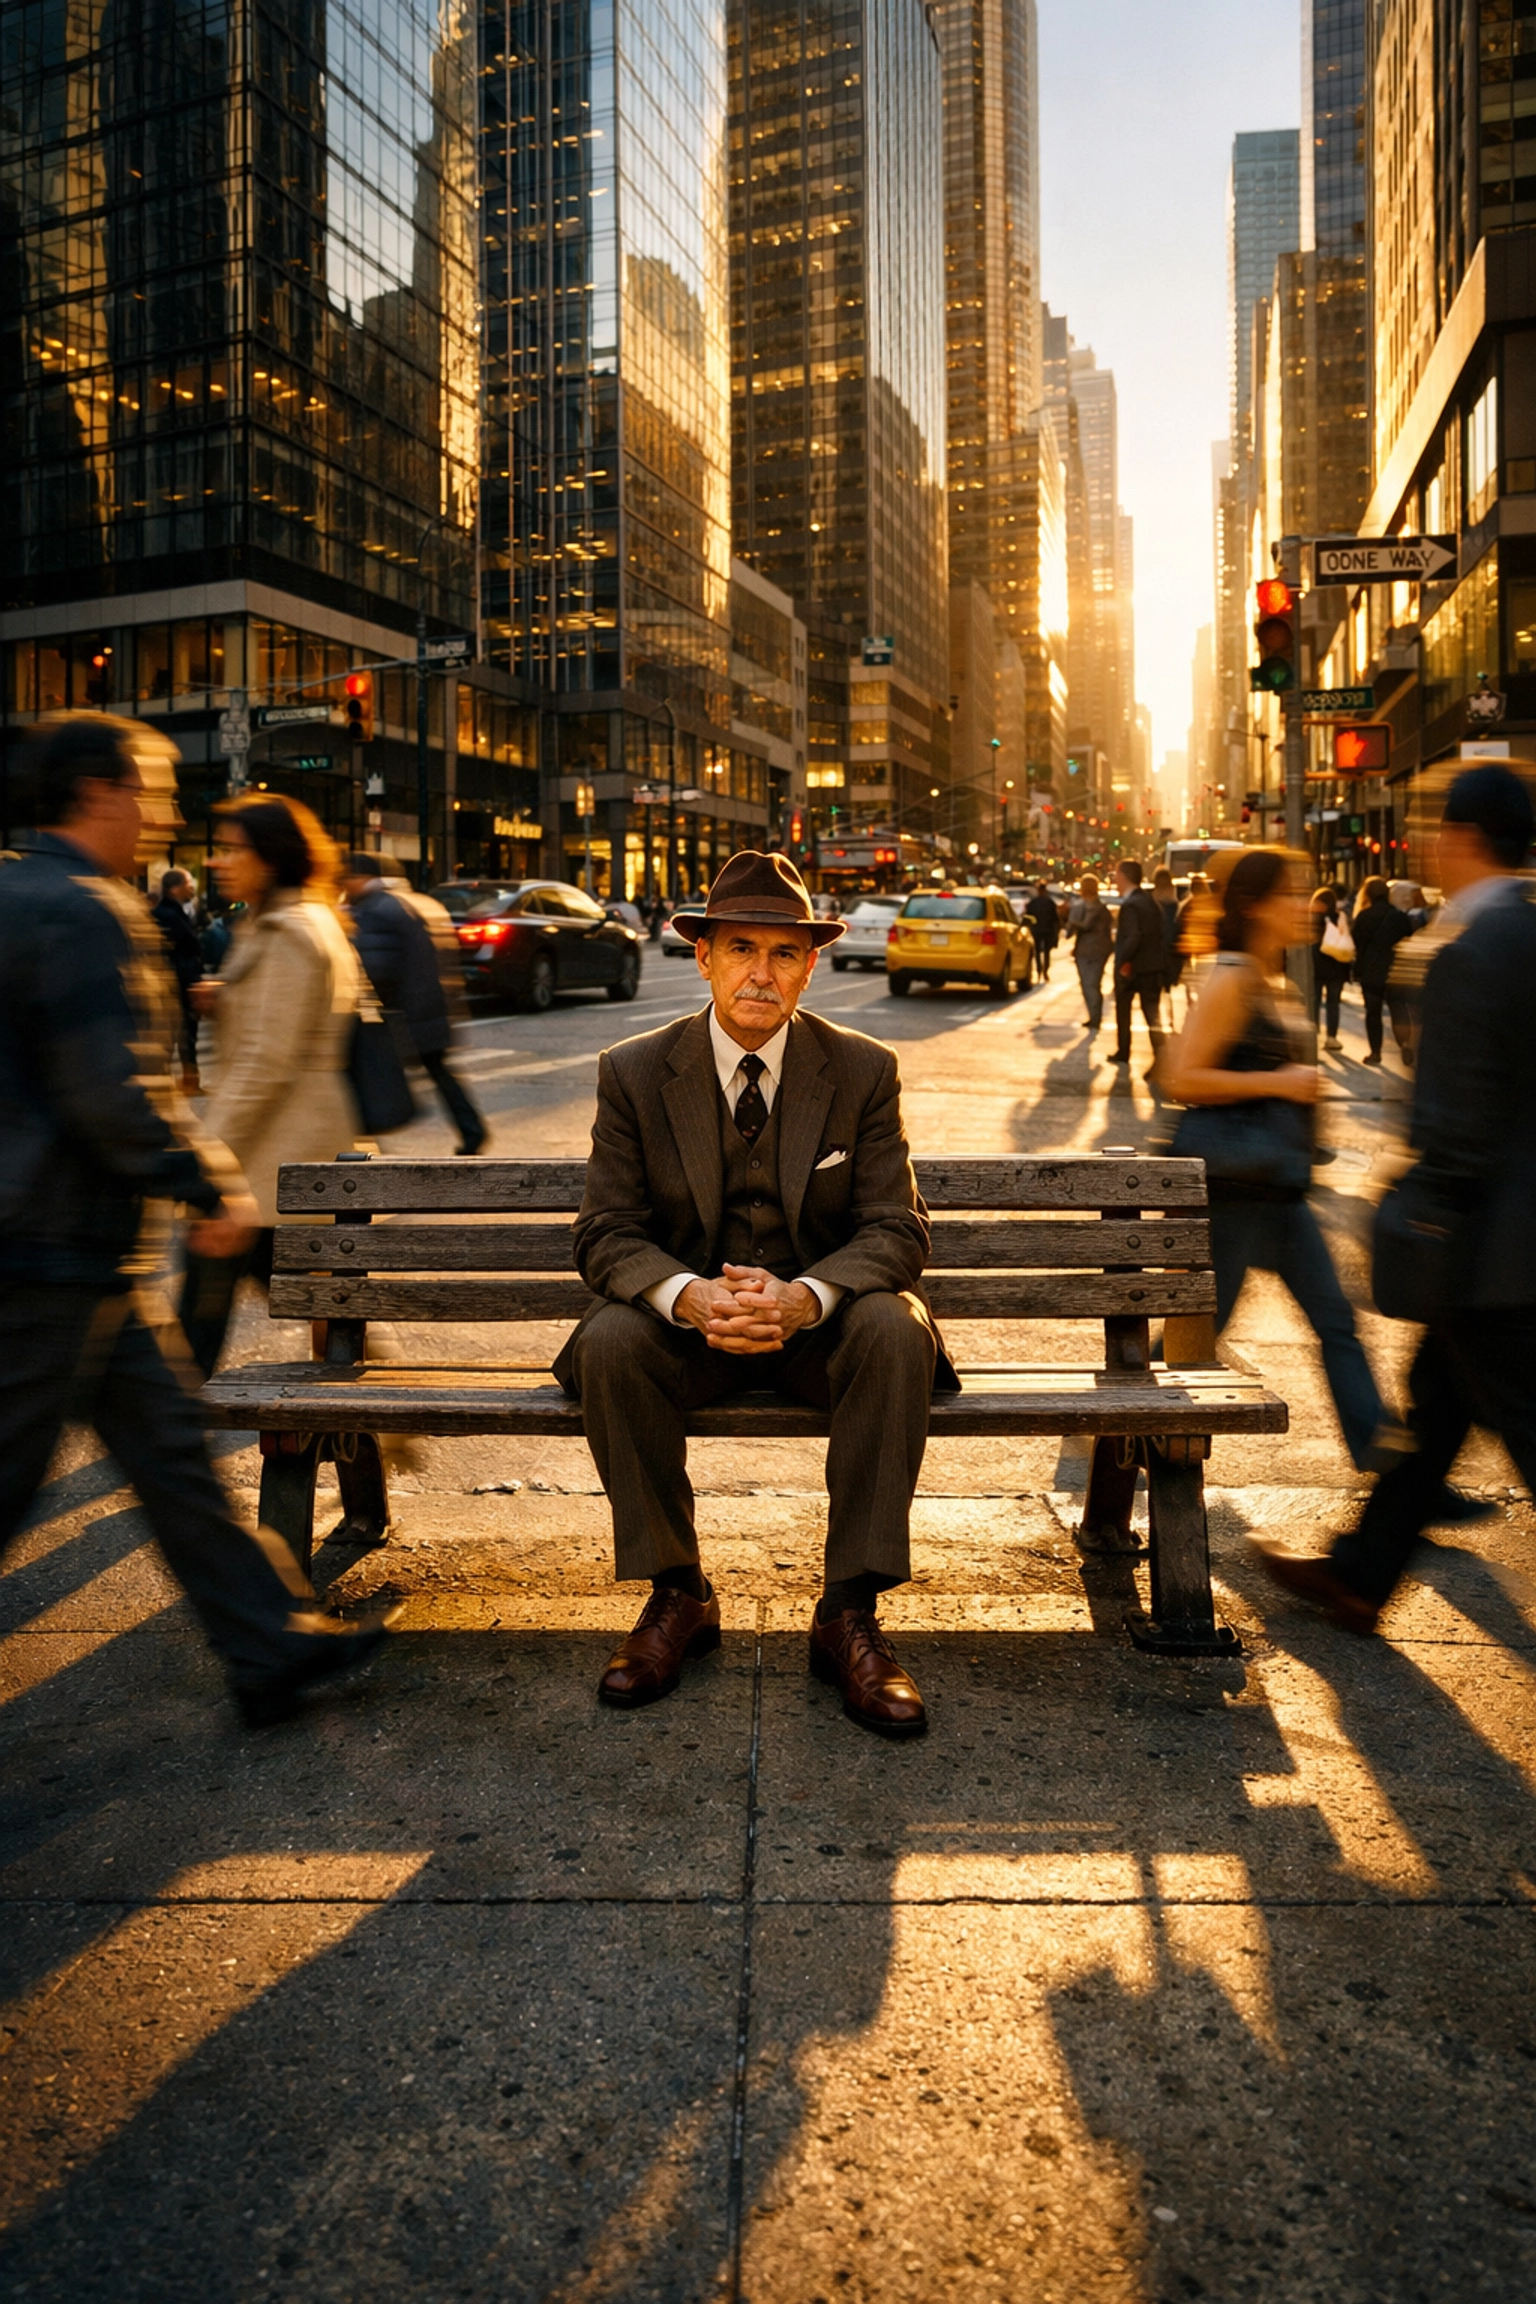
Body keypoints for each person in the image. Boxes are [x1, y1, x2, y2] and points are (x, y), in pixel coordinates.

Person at [0, 715, 386, 1726]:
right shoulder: (85, 909)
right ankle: (270, 1643)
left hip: (75, 1249)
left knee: (171, 1449)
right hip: (45, 1247)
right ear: (98, 794)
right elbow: (105, 1091)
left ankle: (268, 1646)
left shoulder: (14, 894)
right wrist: (202, 1176)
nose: (165, 814)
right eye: (154, 790)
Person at [555, 850, 951, 1736]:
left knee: (897, 1330)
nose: (760, 974)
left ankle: (848, 1611)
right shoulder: (632, 1071)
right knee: (612, 1340)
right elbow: (605, 1232)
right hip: (687, 1340)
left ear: (811, 966)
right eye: (741, 949)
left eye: (783, 955)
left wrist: (807, 1297)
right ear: (704, 958)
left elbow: (897, 1229)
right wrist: (688, 1297)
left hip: (819, 1337)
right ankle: (678, 1593)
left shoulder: (862, 1070)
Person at [1254, 767, 1536, 1633]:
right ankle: (1359, 1576)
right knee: (1436, 1405)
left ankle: (1359, 1574)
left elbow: (1457, 1118)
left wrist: (1426, 1217)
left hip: (1494, 1249)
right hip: (1509, 1242)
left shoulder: (1471, 953)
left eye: (1440, 837)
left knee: (1517, 1414)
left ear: (1461, 840)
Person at [1167, 848, 1391, 1477]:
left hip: (1277, 1192)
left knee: (1336, 1322)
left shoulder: (1268, 978)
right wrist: (1281, 1082)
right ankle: (1117, 1428)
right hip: (1238, 1192)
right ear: (1252, 906)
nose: (1305, 905)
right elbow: (1184, 1076)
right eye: (1290, 894)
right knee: (1194, 1337)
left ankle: (1393, 1472)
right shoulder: (1234, 976)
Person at [179, 794, 361, 1377]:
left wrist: (208, 1156)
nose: (220, 862)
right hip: (281, 1157)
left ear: (271, 857)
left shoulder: (289, 930)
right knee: (314, 1299)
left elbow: (267, 1061)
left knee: (205, 1310)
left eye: (235, 849)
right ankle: (374, 1406)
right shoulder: (286, 920)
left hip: (272, 1156)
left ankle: (165, 1425)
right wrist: (228, 998)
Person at [342, 853, 487, 1156]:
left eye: (347, 879)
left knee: (371, 1074)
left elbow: (376, 966)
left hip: (406, 1013)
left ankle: (366, 1141)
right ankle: (472, 1130)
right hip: (426, 1007)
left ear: (359, 878)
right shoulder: (398, 904)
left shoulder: (375, 910)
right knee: (438, 1071)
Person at [150, 866, 205, 1090]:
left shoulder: (170, 913)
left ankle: (182, 1080)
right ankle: (188, 1081)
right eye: (188, 884)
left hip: (174, 981)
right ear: (174, 889)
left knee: (177, 1034)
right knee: (183, 1033)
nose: (192, 888)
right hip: (178, 981)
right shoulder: (168, 915)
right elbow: (189, 946)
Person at [1351, 874, 1414, 1065]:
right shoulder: (1399, 917)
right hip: (1395, 972)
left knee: (1373, 1014)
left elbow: (1356, 943)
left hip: (1370, 973)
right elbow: (1408, 940)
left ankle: (1375, 1053)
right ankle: (1404, 1044)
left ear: (1368, 894)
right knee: (1398, 1009)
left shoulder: (1363, 916)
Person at [1111, 859, 1166, 1070]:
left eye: (1116, 875)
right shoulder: (1150, 901)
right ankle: (1161, 1056)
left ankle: (1124, 1051)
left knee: (1124, 1010)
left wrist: (1122, 960)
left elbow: (1133, 936)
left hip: (1134, 968)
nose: (1114, 880)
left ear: (1123, 877)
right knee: (1152, 1014)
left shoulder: (1131, 905)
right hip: (1152, 966)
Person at [1065, 874, 1113, 1036]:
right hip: (1101, 950)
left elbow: (1070, 931)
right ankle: (1095, 1015)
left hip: (1086, 951)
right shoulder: (1103, 908)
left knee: (1088, 985)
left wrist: (1071, 924)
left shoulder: (1079, 907)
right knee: (1094, 984)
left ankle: (1094, 1017)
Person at [1309, 884, 1351, 1052]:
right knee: (1333, 1003)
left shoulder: (1312, 918)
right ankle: (1331, 1038)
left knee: (1315, 1001)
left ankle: (1313, 1034)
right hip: (1336, 965)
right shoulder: (1339, 916)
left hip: (1316, 965)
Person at [1151, 866, 1180, 1020]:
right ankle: (1171, 1019)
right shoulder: (1174, 904)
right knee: (1168, 990)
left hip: (1154, 953)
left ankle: (1157, 1021)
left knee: (1153, 994)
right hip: (1171, 953)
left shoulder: (1151, 904)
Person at [1025, 880, 1059, 979]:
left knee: (1037, 950)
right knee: (1047, 951)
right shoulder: (1050, 902)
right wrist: (1056, 930)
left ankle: (1039, 970)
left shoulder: (1033, 903)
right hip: (1048, 929)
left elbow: (1028, 916)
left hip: (1036, 929)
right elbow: (1055, 918)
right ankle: (1045, 970)